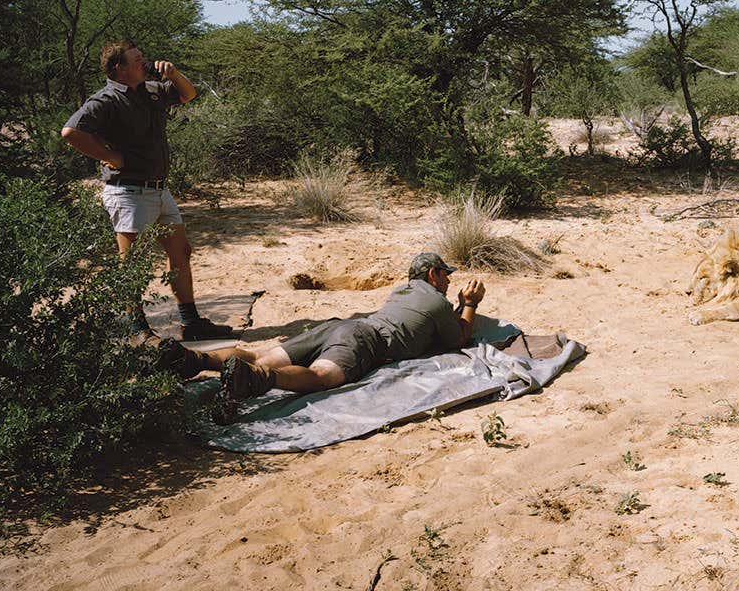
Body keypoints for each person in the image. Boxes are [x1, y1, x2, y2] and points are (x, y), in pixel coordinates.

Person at [161, 253, 486, 423]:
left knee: (261, 353)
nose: (448, 281)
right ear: (433, 274)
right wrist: (468, 304)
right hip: (365, 338)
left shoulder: (401, 289)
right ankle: (256, 380)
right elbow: (460, 338)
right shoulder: (436, 299)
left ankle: (195, 359)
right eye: (446, 274)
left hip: (340, 325)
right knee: (321, 377)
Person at [61, 40, 233, 340]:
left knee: (181, 252)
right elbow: (71, 132)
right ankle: (137, 330)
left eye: (143, 58)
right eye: (137, 59)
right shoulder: (106, 100)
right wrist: (109, 156)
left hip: (158, 189)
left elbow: (188, 94)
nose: (145, 62)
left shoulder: (152, 90)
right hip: (128, 191)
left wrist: (174, 73)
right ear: (119, 68)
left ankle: (191, 324)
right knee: (134, 262)